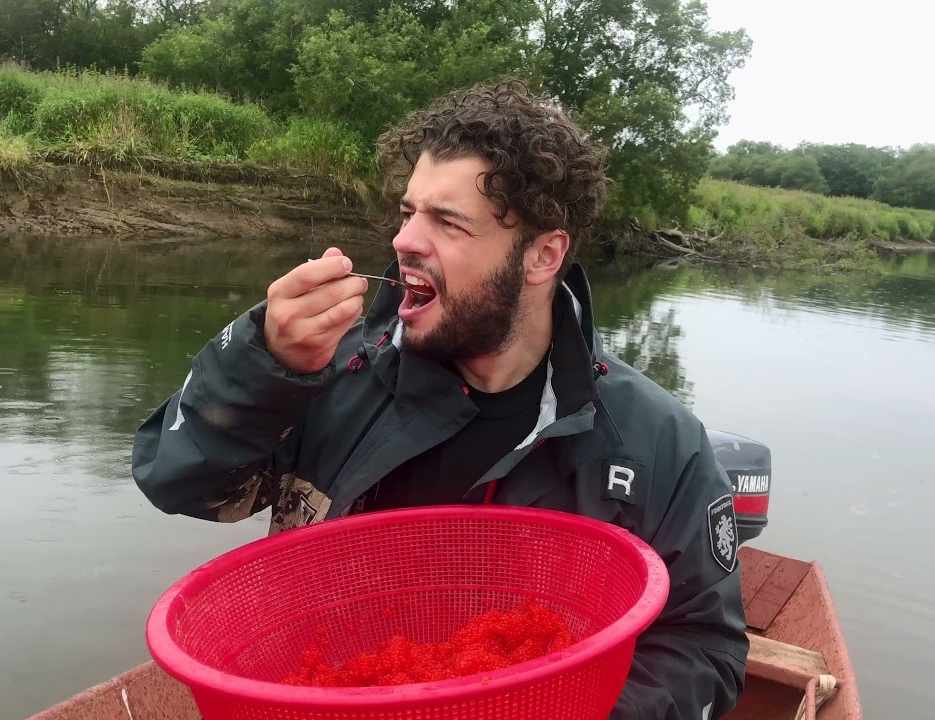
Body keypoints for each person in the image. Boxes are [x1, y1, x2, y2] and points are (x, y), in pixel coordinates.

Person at [131, 80, 748, 719]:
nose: (404, 241)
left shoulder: (654, 440)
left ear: (542, 255)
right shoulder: (328, 372)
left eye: (447, 222)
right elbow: (176, 484)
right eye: (408, 212)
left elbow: (704, 648)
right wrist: (261, 366)